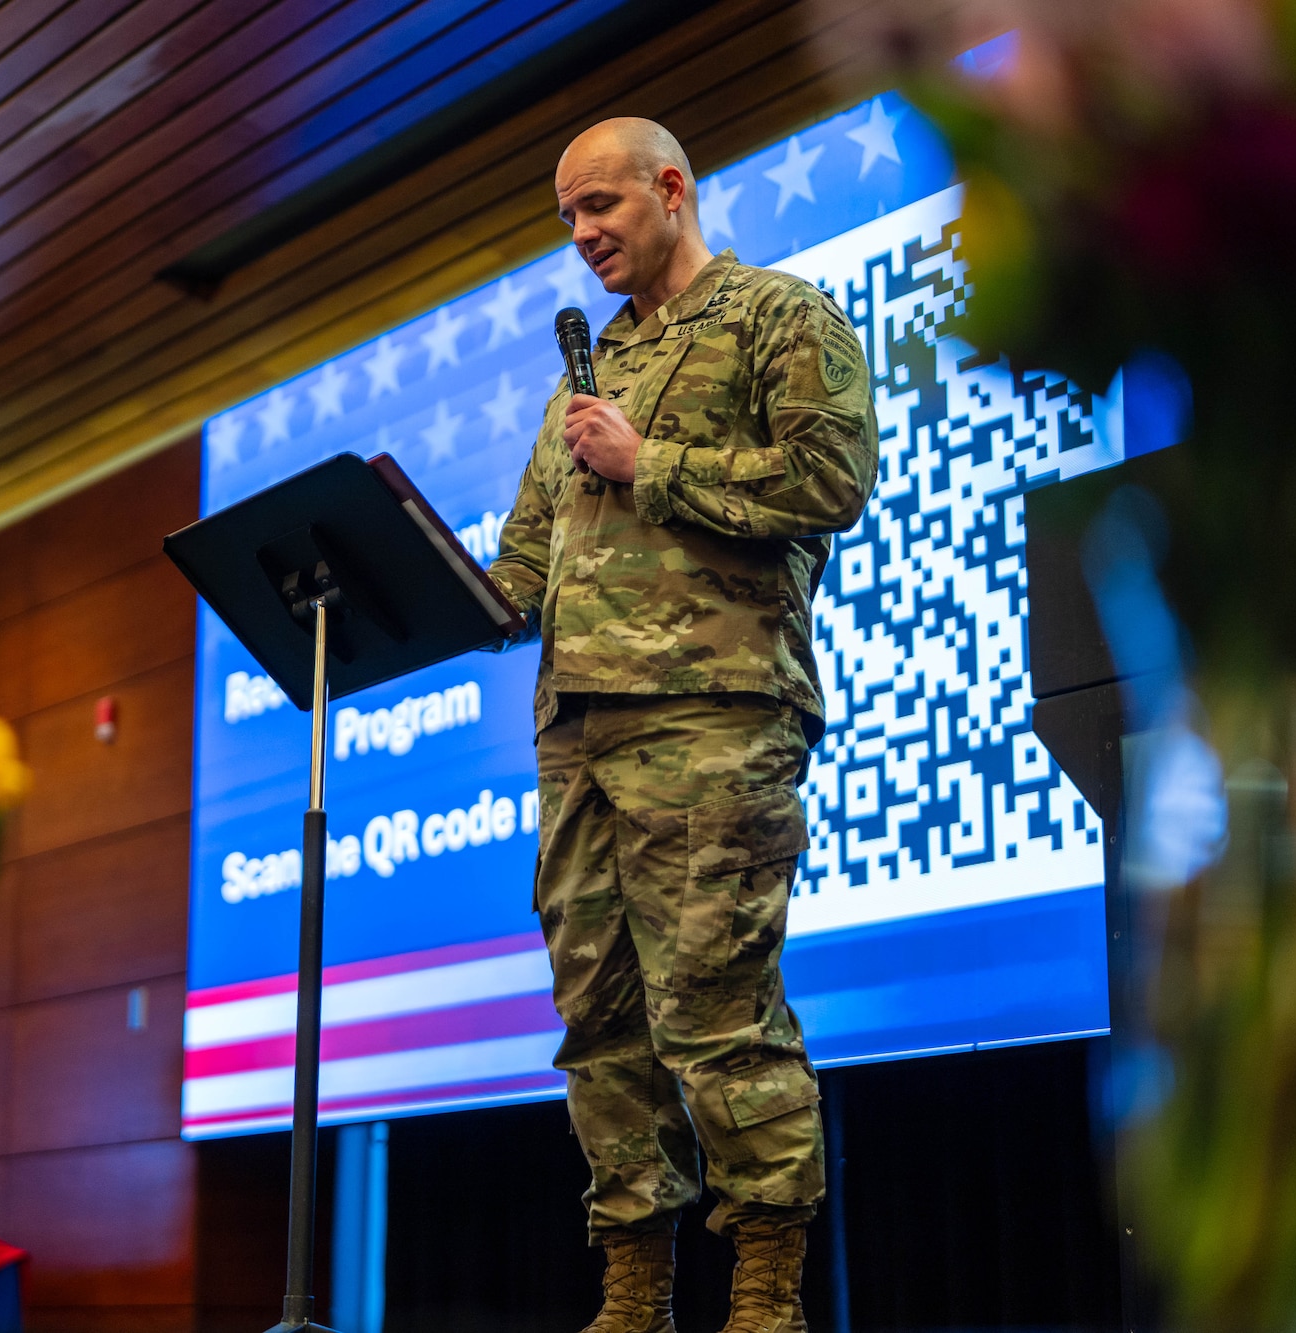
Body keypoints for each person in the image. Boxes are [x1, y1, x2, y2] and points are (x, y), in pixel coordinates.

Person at [484, 118, 878, 1333]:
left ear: (669, 189)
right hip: (578, 737)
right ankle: (633, 1294)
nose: (582, 235)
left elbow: (833, 479)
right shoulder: (579, 375)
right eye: (565, 219)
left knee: (715, 1011)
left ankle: (763, 1290)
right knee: (598, 1024)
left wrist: (648, 460)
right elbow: (518, 569)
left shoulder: (776, 314)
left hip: (711, 716)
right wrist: (385, 590)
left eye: (598, 205)